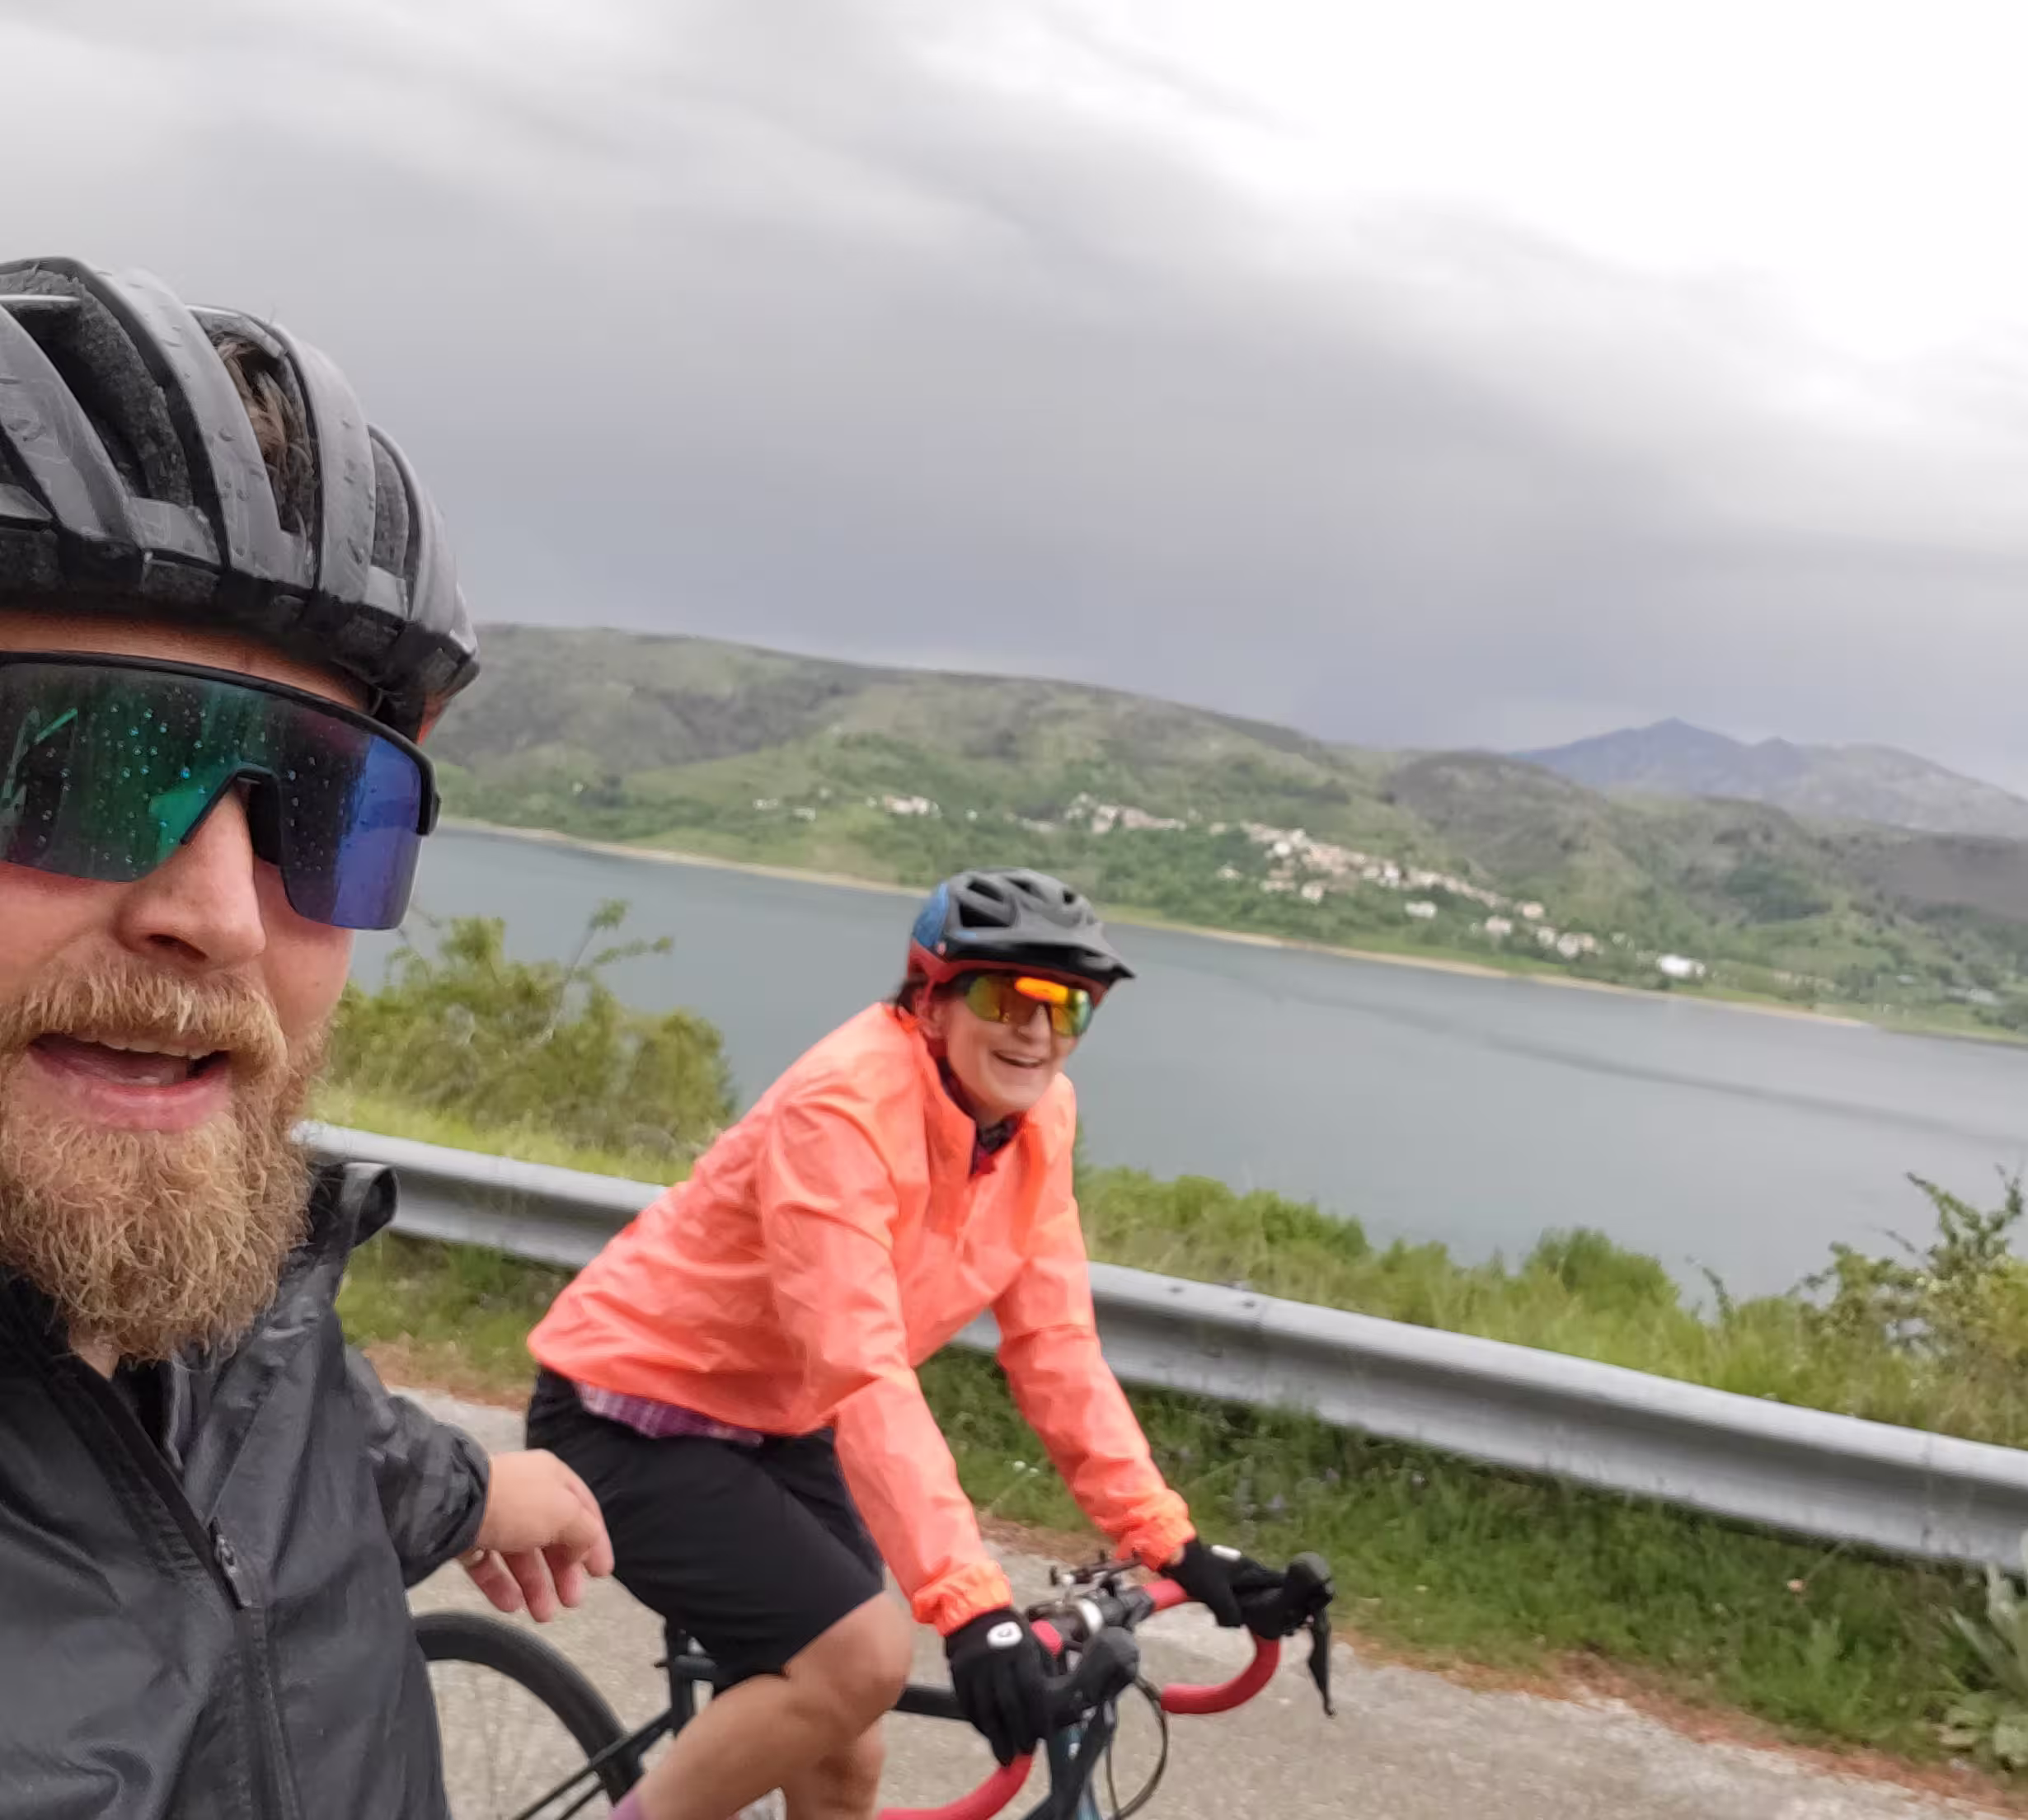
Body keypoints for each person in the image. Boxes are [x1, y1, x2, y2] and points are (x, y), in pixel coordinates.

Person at [0, 256, 615, 1819]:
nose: (219, 915)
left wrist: (478, 1486)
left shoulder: (217, 1292)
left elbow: (280, 1421)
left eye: (324, 807)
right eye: (68, 765)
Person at [524, 867, 1312, 1820]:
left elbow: (1056, 1345)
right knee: (862, 1661)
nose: (1038, 1031)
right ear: (931, 1001)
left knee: (846, 1753)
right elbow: (858, 1363)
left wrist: (1169, 1540)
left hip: (778, 1419)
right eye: (1006, 997)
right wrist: (970, 1603)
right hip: (628, 1413)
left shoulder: (1038, 1121)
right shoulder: (843, 1105)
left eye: (1068, 1007)